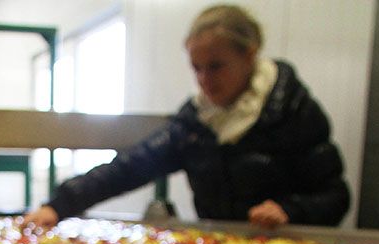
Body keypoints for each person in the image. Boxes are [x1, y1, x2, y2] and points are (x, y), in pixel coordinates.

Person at [23, 4, 350, 231]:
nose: (205, 79)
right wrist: (59, 205)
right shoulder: (196, 123)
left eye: (216, 66)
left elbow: (334, 196)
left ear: (249, 55)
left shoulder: (293, 111)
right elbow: (129, 167)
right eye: (197, 68)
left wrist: (290, 210)